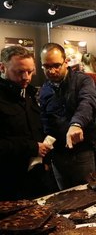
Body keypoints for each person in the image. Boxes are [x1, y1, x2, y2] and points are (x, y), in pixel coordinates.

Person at [39, 43, 96, 190]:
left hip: (82, 151)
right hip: (58, 154)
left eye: (56, 65)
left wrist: (76, 124)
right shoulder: (45, 89)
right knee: (64, 197)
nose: (51, 71)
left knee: (88, 193)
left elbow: (87, 102)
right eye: (46, 66)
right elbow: (46, 121)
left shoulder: (82, 80)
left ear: (66, 62)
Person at [0, 46, 52, 200]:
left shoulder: (29, 94)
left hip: (36, 176)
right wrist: (31, 147)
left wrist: (45, 161)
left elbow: (36, 128)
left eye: (30, 71)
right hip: (8, 181)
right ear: (2, 67)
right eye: (20, 72)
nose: (27, 77)